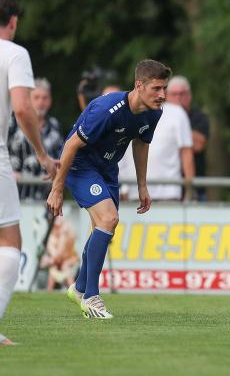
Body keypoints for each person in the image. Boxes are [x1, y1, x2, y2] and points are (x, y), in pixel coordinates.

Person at [47, 59, 169, 320]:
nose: (162, 95)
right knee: (109, 219)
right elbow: (70, 146)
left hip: (107, 169)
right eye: (157, 89)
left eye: (164, 88)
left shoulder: (154, 112)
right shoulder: (107, 109)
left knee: (103, 227)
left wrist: (142, 185)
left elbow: (141, 143)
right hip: (81, 166)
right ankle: (91, 297)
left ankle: (79, 288)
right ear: (139, 85)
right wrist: (57, 188)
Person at [0, 0, 59, 345]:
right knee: (10, 242)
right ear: (14, 21)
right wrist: (41, 154)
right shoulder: (14, 53)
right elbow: (23, 108)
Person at [119, 100, 194, 201]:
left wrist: (189, 194)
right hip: (134, 195)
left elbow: (186, 152)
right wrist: (124, 188)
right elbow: (122, 153)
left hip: (168, 195)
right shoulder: (126, 110)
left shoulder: (177, 113)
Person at [8, 78, 65, 200]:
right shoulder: (12, 123)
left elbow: (61, 157)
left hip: (46, 197)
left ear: (50, 100)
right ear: (28, 99)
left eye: (45, 98)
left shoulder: (55, 126)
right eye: (36, 97)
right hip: (15, 194)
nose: (41, 102)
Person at [166, 76, 210, 199]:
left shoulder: (199, 117)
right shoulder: (159, 116)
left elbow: (198, 145)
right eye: (174, 94)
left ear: (189, 95)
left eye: (182, 94)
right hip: (167, 187)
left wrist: (176, 127)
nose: (178, 98)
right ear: (166, 96)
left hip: (195, 186)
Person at [39, 216, 79, 291]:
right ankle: (49, 292)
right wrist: (50, 260)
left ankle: (73, 291)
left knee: (65, 266)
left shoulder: (67, 232)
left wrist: (49, 260)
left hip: (70, 262)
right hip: (58, 263)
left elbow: (65, 253)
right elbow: (56, 257)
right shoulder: (51, 238)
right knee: (53, 268)